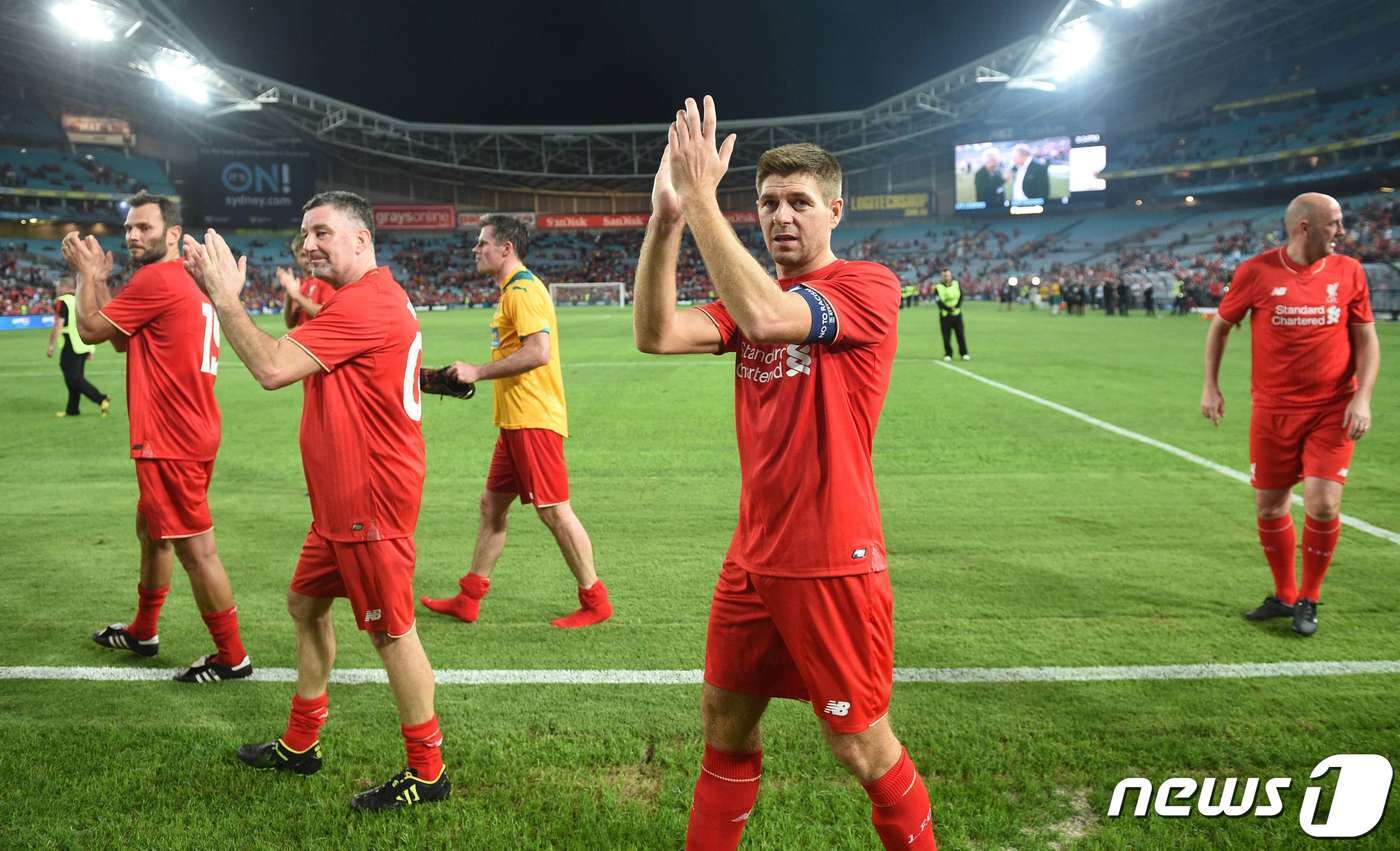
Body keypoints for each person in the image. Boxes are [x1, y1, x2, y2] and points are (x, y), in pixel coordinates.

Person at [633, 97, 937, 850]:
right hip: (754, 556)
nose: (780, 216)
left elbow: (771, 318)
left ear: (836, 209)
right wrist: (669, 218)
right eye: (766, 202)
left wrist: (704, 196)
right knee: (724, 723)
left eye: (799, 201)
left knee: (860, 746)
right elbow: (657, 332)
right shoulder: (751, 301)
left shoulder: (868, 287)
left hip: (832, 558)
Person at [183, 191, 450, 809]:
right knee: (305, 604)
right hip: (338, 504)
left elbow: (274, 367)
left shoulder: (368, 303)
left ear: (361, 239)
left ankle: (428, 773)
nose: (308, 243)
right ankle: (302, 745)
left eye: (322, 232)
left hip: (370, 500)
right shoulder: (361, 297)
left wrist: (225, 297)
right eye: (304, 233)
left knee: (393, 634)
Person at [60, 193, 251, 683]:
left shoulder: (157, 279)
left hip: (170, 438)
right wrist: (102, 283)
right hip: (192, 428)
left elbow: (87, 327)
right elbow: (121, 336)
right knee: (151, 529)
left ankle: (232, 656)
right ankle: (144, 631)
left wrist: (86, 275)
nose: (131, 236)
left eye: (143, 227)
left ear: (171, 234)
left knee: (195, 548)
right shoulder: (182, 281)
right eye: (128, 228)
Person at [1201, 192, 1380, 637]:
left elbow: (1367, 340)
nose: (1342, 231)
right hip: (1273, 409)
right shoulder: (1257, 272)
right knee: (1269, 506)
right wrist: (1211, 385)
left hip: (1332, 408)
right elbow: (1221, 325)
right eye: (1334, 223)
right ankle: (1284, 595)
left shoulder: (1349, 272)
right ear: (1306, 227)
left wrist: (1363, 398)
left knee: (1322, 504)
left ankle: (1310, 598)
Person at [420, 215, 611, 629]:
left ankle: (595, 600)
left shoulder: (523, 291)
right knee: (492, 506)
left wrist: (477, 371)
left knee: (555, 511)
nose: (476, 250)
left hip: (533, 418)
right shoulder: (512, 292)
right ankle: (469, 598)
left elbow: (538, 352)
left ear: (506, 248)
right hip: (514, 421)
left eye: (482, 243)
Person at [47, 274, 110, 417]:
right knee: (76, 377)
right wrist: (90, 348)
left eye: (58, 286)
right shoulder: (80, 300)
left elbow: (59, 324)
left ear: (63, 287)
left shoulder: (62, 301)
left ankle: (101, 398)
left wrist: (51, 345)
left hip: (72, 344)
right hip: (85, 342)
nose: (57, 289)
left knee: (73, 379)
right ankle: (72, 410)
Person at [278, 232, 334, 328]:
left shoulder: (326, 279)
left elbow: (327, 314)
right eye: (303, 255)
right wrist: (289, 293)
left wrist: (296, 296)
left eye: (311, 253)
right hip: (304, 340)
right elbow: (290, 324)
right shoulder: (301, 284)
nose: (308, 258)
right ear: (296, 259)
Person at [935, 269, 969, 363]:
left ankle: (964, 353)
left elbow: (961, 296)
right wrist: (949, 309)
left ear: (951, 276)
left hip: (957, 314)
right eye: (944, 275)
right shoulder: (938, 287)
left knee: (960, 335)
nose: (946, 277)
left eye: (948, 275)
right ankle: (948, 354)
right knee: (946, 336)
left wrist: (956, 307)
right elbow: (938, 301)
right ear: (942, 277)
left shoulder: (956, 284)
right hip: (945, 315)